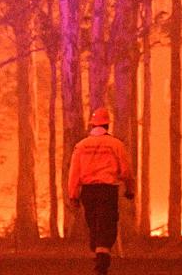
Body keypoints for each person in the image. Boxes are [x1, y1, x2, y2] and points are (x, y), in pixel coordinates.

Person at [68, 107, 134, 274]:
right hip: (107, 190)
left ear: (92, 125)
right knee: (108, 223)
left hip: (88, 191)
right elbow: (126, 171)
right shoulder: (116, 145)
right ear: (107, 126)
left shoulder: (81, 146)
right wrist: (130, 190)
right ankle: (102, 257)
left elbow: (74, 173)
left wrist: (73, 195)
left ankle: (98, 254)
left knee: (93, 223)